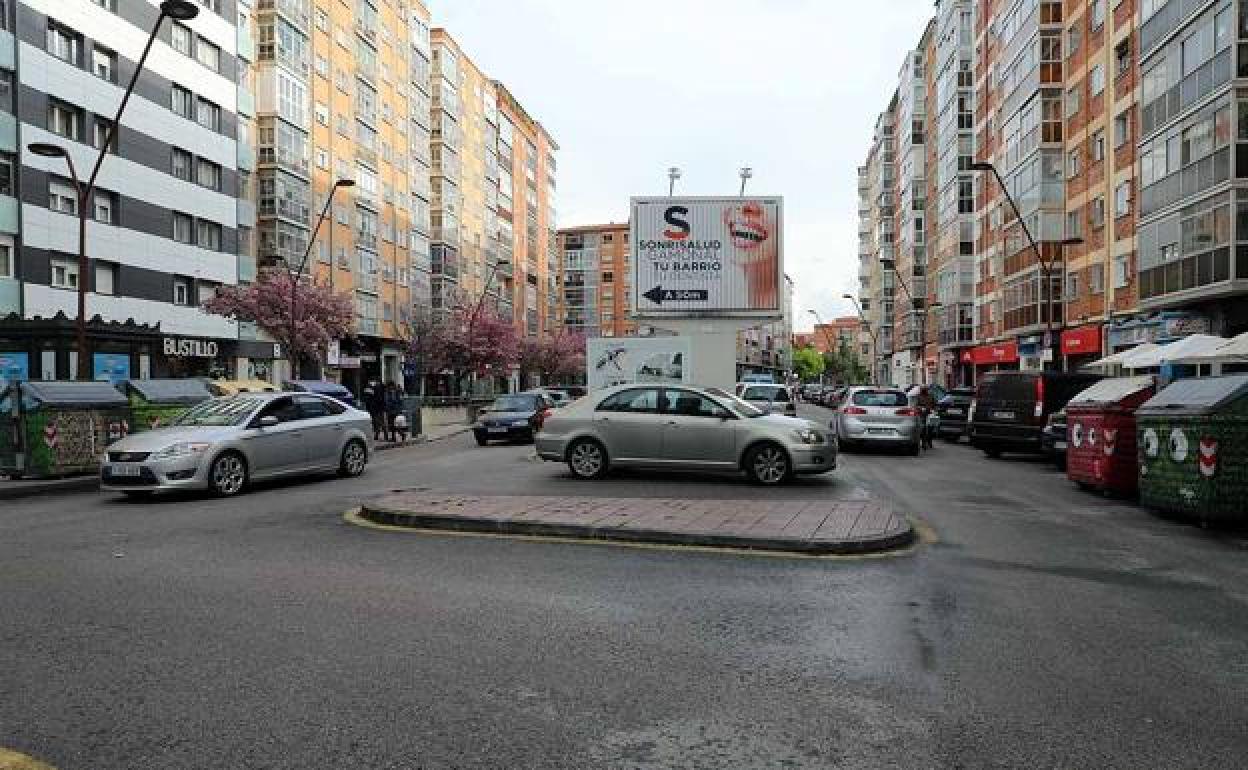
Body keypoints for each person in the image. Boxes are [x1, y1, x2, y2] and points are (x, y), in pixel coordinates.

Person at [915, 386, 937, 450]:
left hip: (930, 414)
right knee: (923, 428)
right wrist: (920, 408)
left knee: (931, 428)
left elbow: (934, 404)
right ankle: (924, 443)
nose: (924, 390)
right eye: (923, 389)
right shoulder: (918, 396)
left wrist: (934, 410)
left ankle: (929, 441)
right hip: (922, 414)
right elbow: (916, 405)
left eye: (925, 389)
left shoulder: (931, 396)